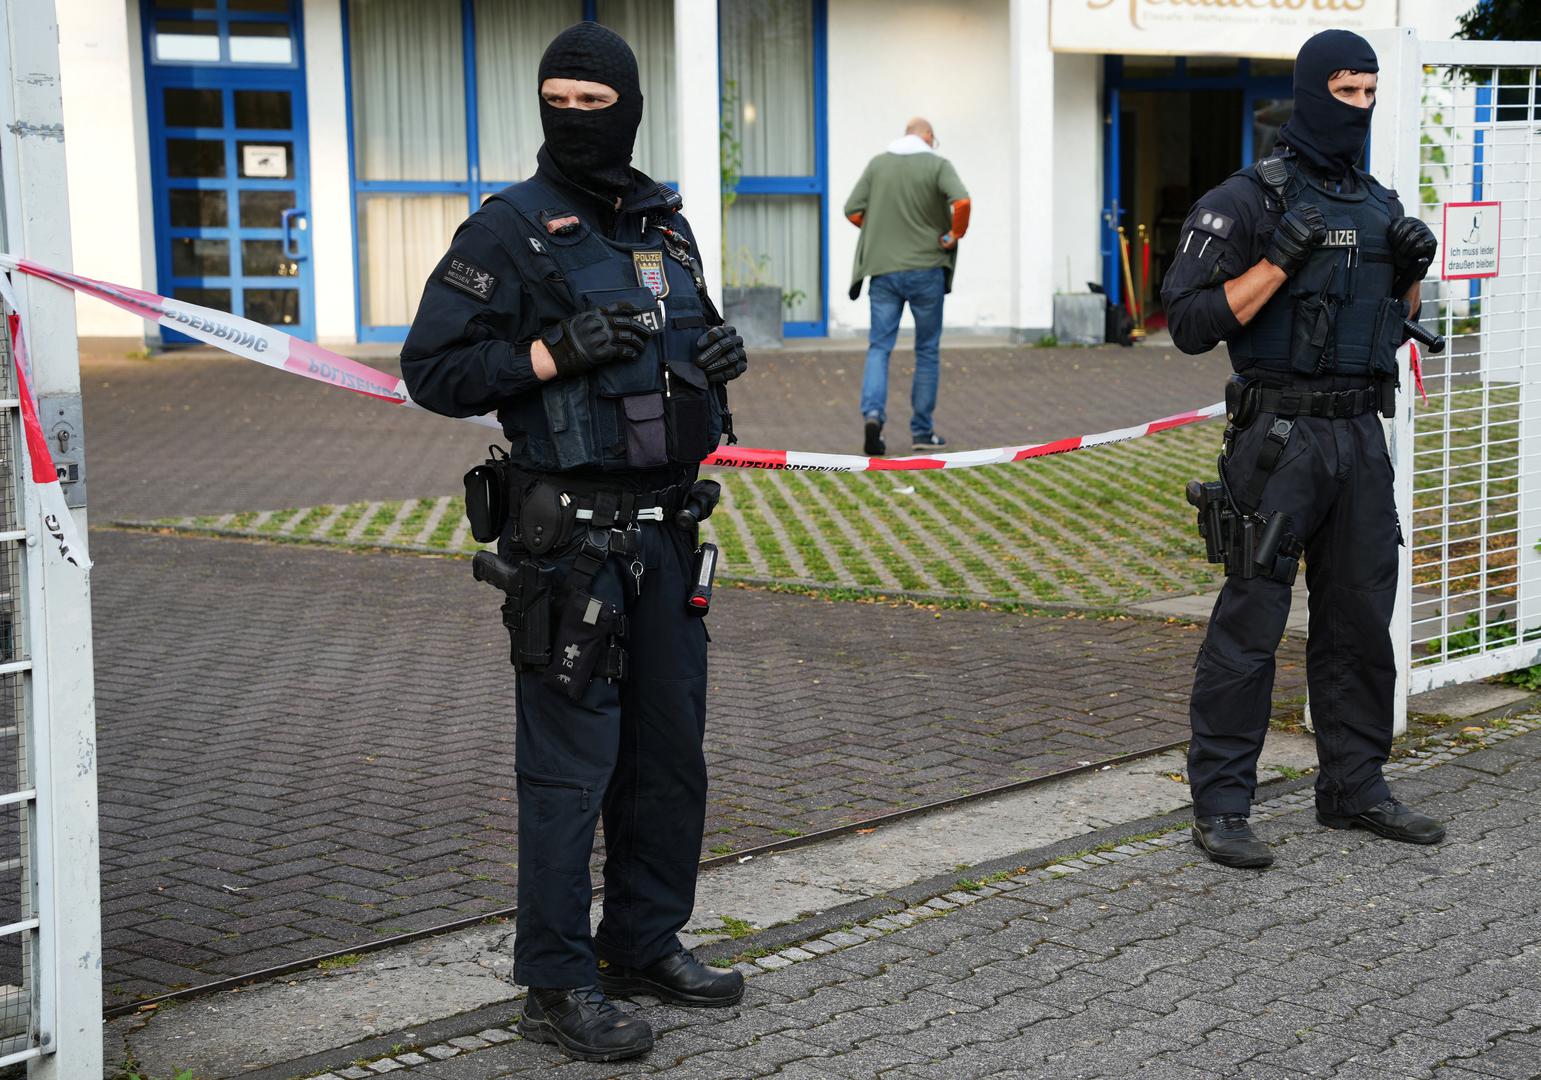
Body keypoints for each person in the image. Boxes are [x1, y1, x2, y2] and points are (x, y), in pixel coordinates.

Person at [400, 23, 748, 1063]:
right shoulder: (505, 233)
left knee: (665, 761)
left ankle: (642, 941)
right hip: (571, 552)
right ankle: (556, 980)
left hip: (668, 538)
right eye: (558, 100)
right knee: (568, 774)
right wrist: (547, 353)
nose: (575, 119)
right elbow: (433, 371)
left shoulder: (662, 226)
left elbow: (678, 350)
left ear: (630, 107)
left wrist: (719, 356)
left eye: (594, 103)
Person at [1162, 29, 1445, 870]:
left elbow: (1392, 328)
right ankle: (1220, 806)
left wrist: (1407, 272)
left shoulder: (1376, 200)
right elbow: (1187, 323)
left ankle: (1353, 788)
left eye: (1368, 94)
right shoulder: (1244, 202)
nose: (1357, 109)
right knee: (1250, 625)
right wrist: (1276, 263)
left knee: (1360, 621)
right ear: (1313, 90)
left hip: (1361, 433)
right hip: (1277, 440)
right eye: (1345, 93)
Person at [844, 118, 971, 455]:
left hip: (884, 273)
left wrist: (879, 230)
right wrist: (953, 235)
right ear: (927, 136)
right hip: (927, 269)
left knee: (879, 348)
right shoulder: (938, 164)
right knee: (926, 350)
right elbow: (962, 203)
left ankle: (872, 416)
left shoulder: (878, 164)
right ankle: (922, 432)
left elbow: (852, 210)